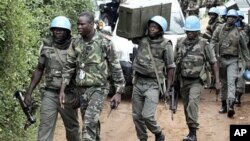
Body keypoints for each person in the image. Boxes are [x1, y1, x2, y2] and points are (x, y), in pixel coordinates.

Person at [59, 11, 125, 141]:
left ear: (91, 24)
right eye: (78, 24)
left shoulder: (105, 42)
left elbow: (115, 67)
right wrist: (62, 89)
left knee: (89, 122)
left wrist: (119, 92)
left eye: (82, 24)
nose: (79, 27)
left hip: (99, 89)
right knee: (90, 122)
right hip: (82, 89)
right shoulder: (76, 43)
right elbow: (69, 67)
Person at [24, 16, 80, 141]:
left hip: (68, 95)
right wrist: (29, 93)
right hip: (50, 93)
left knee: (73, 130)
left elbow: (81, 71)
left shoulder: (75, 46)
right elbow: (39, 69)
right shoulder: (46, 46)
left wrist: (78, 93)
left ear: (67, 32)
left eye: (61, 30)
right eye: (55, 29)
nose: (58, 32)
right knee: (45, 128)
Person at [174, 16, 220, 141]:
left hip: (197, 81)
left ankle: (193, 134)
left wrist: (217, 81)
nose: (190, 33)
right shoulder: (179, 43)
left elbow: (213, 62)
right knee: (186, 107)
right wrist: (173, 82)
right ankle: (191, 132)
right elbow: (175, 63)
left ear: (197, 31)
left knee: (192, 104)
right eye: (188, 31)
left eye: (192, 31)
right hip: (183, 80)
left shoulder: (204, 44)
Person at [131, 15, 175, 141]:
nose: (152, 29)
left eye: (155, 27)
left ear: (160, 30)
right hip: (138, 82)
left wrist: (168, 89)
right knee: (136, 116)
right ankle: (143, 138)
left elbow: (171, 67)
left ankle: (158, 133)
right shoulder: (142, 40)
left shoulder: (166, 44)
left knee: (147, 116)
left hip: (153, 84)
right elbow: (129, 33)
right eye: (151, 26)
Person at [209, 9, 250, 118]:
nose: (231, 18)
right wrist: (211, 55)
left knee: (231, 81)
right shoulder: (219, 29)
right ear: (226, 17)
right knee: (223, 83)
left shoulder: (239, 32)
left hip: (233, 60)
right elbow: (212, 42)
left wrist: (248, 62)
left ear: (236, 19)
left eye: (233, 17)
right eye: (229, 16)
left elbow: (244, 49)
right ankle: (224, 104)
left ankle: (231, 105)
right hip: (221, 59)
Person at [234, 10, 250, 106]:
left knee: (240, 77)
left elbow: (245, 42)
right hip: (232, 56)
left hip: (243, 56)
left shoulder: (246, 28)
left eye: (239, 17)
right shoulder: (229, 28)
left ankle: (238, 96)